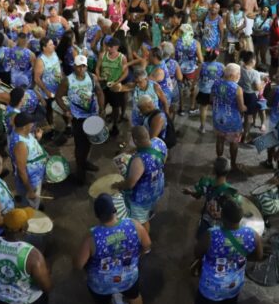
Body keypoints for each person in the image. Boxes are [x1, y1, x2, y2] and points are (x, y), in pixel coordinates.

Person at [74, 193, 151, 304]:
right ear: (114, 210)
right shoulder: (134, 225)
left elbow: (78, 265)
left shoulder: (91, 237)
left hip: (101, 284)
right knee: (134, 296)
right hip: (129, 277)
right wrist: (137, 255)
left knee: (102, 303)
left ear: (97, 215)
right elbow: (147, 245)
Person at [194, 194, 263, 304]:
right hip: (234, 285)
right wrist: (238, 256)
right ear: (241, 217)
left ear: (222, 216)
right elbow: (259, 256)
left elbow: (197, 253)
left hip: (211, 287)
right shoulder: (253, 235)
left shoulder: (212, 234)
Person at [0, 207, 53, 304]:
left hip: (1, 298)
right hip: (28, 302)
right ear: (22, 229)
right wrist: (46, 273)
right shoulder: (33, 256)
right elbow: (47, 287)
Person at [56, 55, 105, 184]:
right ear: (74, 66)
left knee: (89, 141)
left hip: (92, 116)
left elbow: (99, 92)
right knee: (79, 145)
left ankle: (84, 162)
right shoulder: (68, 81)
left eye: (84, 66)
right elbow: (59, 97)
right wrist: (66, 110)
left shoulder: (92, 77)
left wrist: (102, 108)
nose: (81, 69)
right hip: (78, 118)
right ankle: (80, 171)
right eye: (79, 66)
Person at [114, 126, 165, 234]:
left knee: (141, 221)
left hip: (143, 196)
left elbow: (130, 184)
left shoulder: (139, 160)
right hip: (157, 187)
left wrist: (118, 185)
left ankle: (144, 241)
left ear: (135, 140)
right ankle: (150, 212)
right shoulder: (158, 142)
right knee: (150, 206)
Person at [183, 157, 240, 239]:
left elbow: (198, 195)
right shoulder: (231, 191)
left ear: (213, 170)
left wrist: (190, 192)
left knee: (202, 238)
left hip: (207, 219)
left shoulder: (204, 182)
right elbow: (235, 212)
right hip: (223, 223)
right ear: (228, 171)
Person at [211, 63, 246, 172]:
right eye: (238, 74)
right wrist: (246, 108)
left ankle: (219, 161)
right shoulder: (237, 88)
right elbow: (241, 108)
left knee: (220, 140)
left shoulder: (216, 84)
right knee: (234, 143)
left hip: (218, 118)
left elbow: (211, 99)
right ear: (232, 75)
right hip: (232, 122)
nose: (239, 76)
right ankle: (233, 165)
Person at [11, 113, 48, 209]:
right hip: (32, 181)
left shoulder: (25, 133)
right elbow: (21, 170)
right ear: (24, 127)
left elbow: (30, 151)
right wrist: (30, 190)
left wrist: (37, 138)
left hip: (36, 176)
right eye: (31, 124)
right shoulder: (20, 145)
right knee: (31, 207)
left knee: (35, 201)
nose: (33, 125)